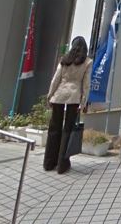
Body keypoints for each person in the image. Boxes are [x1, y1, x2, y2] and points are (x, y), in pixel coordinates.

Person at [44, 36, 91, 174]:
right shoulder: (87, 62)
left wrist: (50, 95)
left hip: (59, 95)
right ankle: (62, 164)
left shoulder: (64, 59)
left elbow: (56, 79)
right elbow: (86, 84)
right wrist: (84, 102)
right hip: (74, 97)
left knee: (54, 128)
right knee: (68, 130)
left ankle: (49, 162)